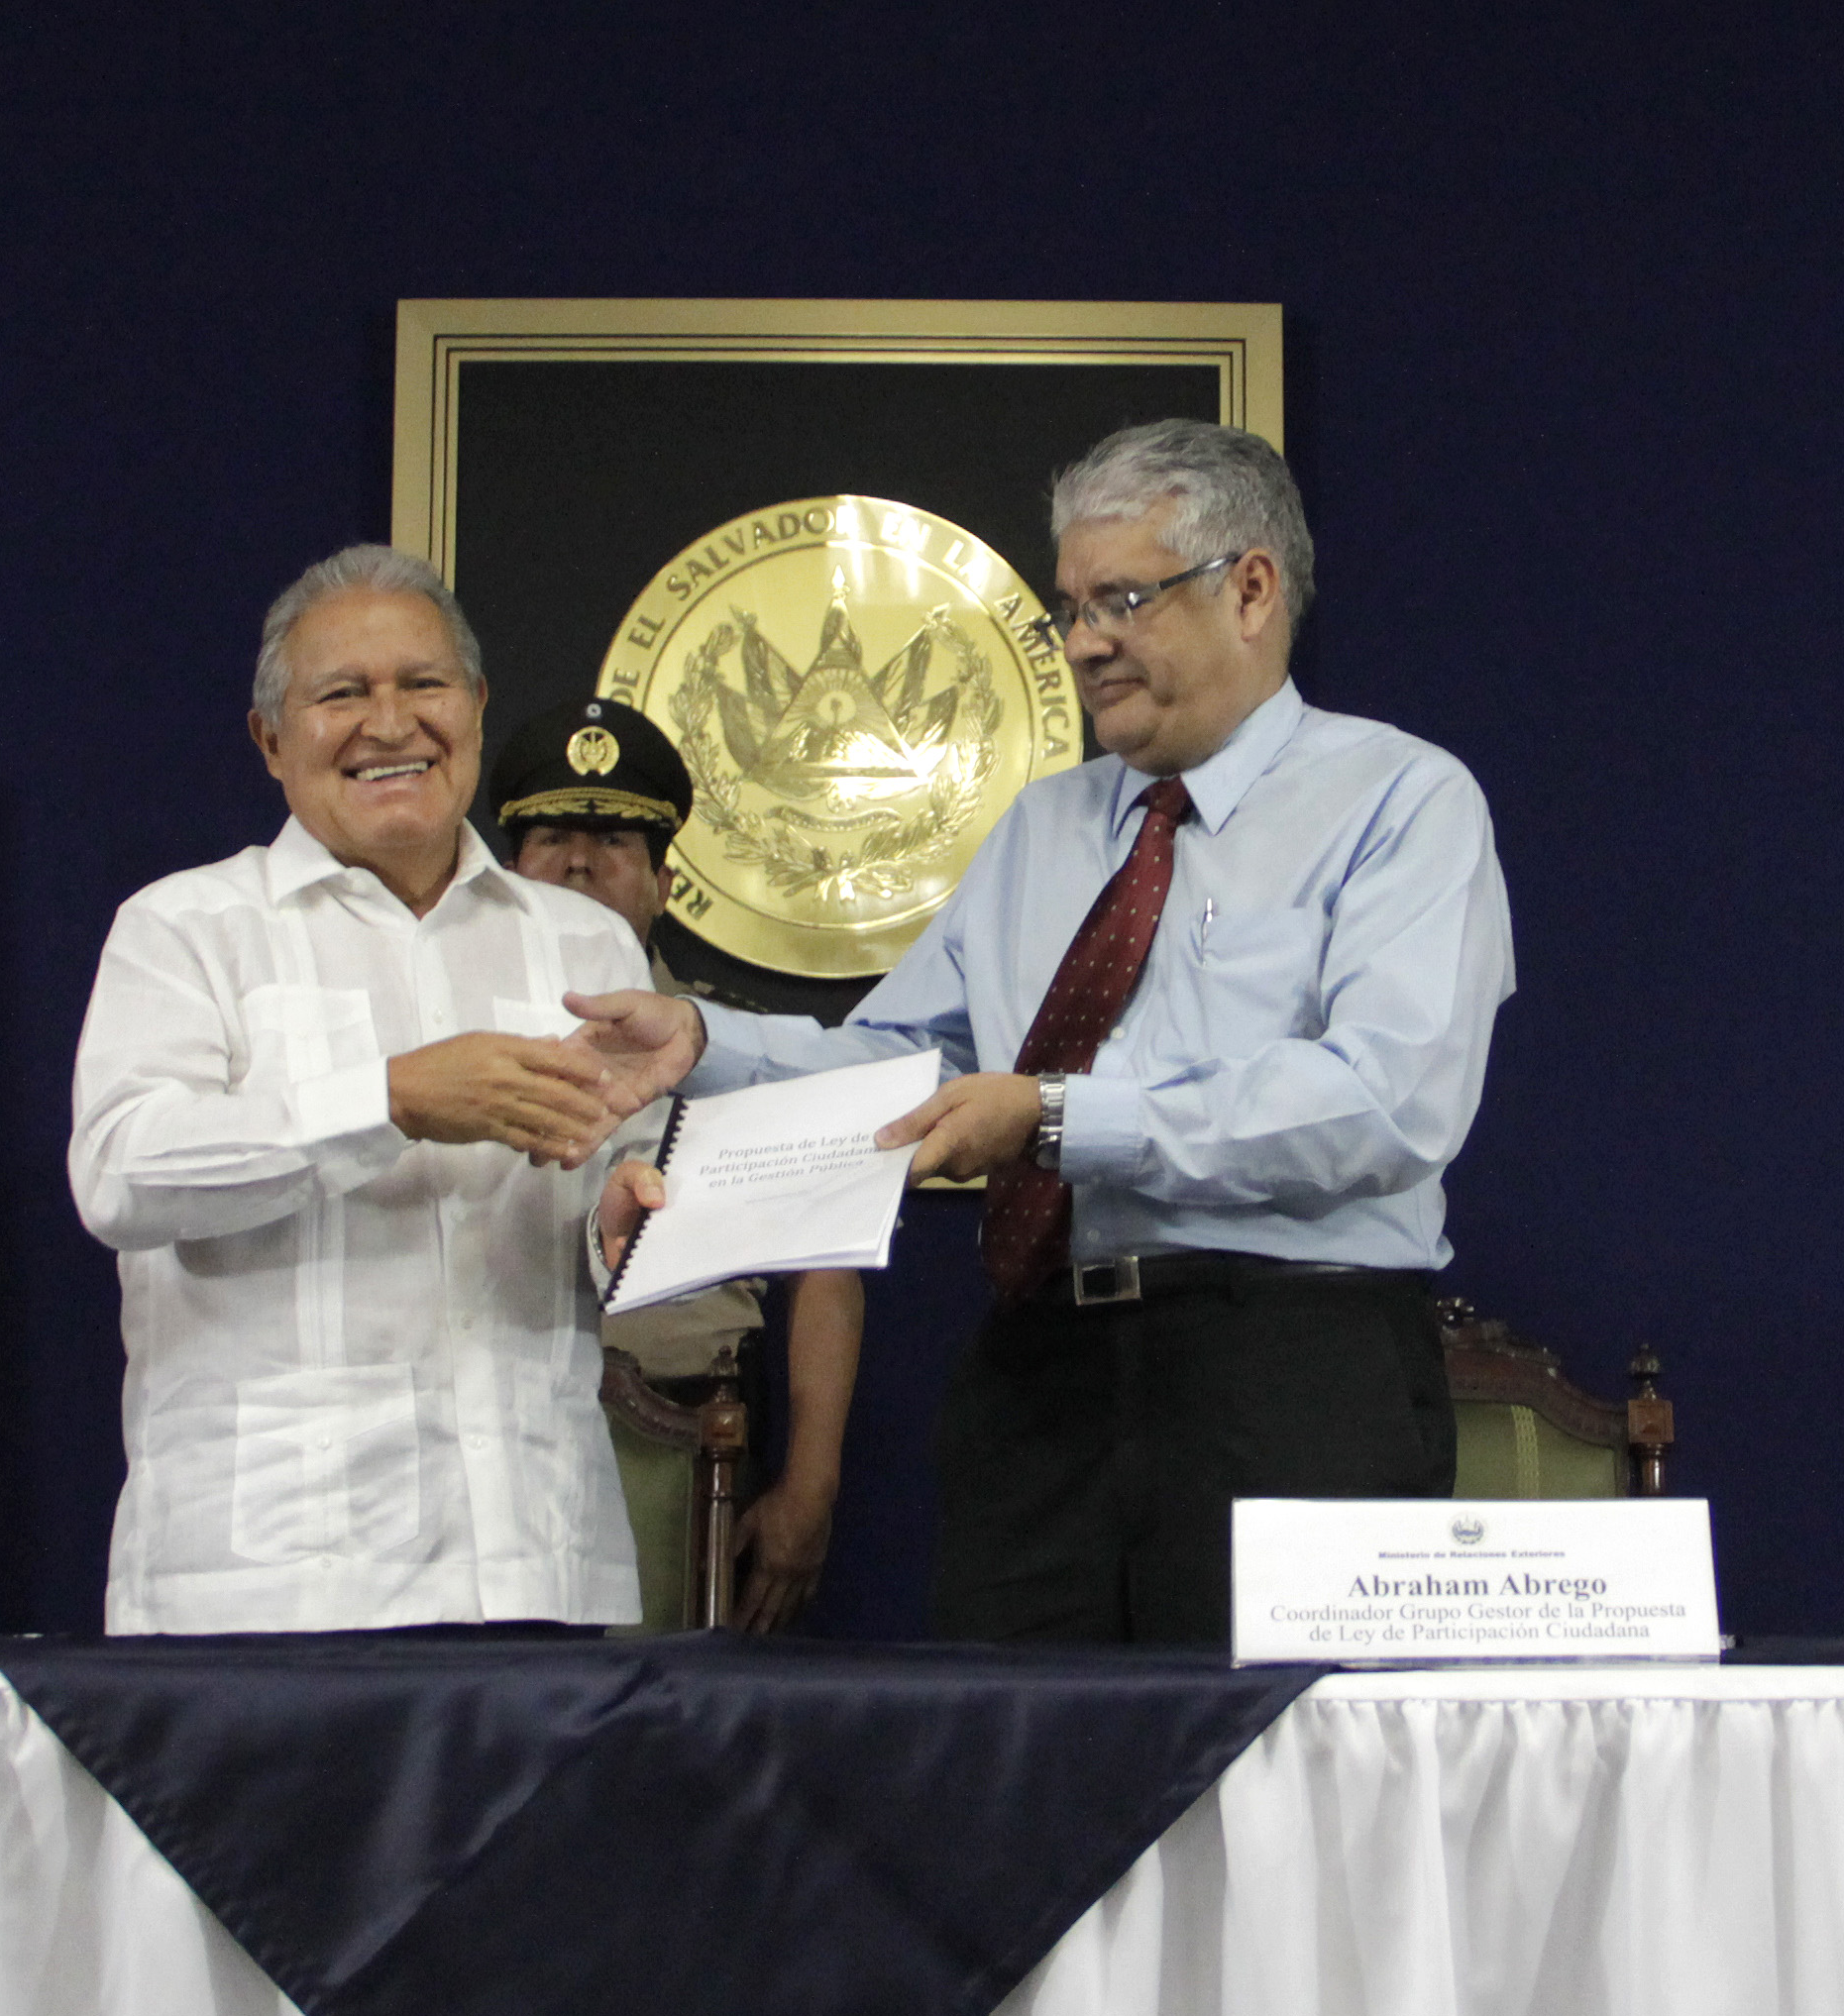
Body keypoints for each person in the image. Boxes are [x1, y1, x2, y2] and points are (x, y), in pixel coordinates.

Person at [577, 421, 1516, 1646]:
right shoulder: (1041, 828)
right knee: (1016, 1748)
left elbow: (1384, 1102)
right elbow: (909, 1068)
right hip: (1040, 1376)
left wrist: (1059, 1117)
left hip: (1289, 1367)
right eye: (1071, 608)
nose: (1081, 642)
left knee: (1276, 1752)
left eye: (1121, 600)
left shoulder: (1401, 800)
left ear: (1250, 590)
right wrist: (705, 1042)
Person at [70, 545, 655, 1634]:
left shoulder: (589, 945)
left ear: (475, 707)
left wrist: (629, 1222)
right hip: (266, 1587)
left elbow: (625, 1205)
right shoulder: (185, 927)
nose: (391, 724)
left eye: (424, 684)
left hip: (540, 1562)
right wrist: (389, 1100)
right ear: (270, 739)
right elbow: (121, 1173)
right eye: (341, 694)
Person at [492, 693, 863, 1632]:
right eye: (551, 838)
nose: (580, 863)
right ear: (506, 873)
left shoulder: (737, 1051)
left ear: (663, 883)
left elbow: (828, 1265)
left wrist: (811, 1487)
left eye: (615, 840)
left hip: (686, 1439)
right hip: (485, 1433)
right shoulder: (447, 1049)